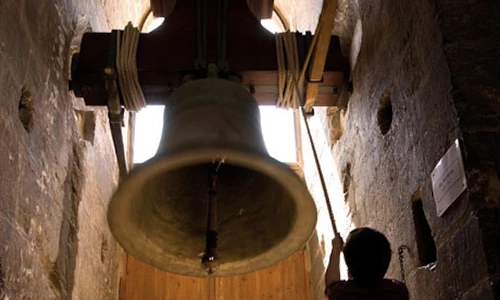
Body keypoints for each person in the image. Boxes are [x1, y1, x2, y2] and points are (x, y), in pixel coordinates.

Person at [324, 227, 409, 299]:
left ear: (349, 269)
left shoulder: (343, 294)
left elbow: (331, 284)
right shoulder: (397, 291)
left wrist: (335, 249)